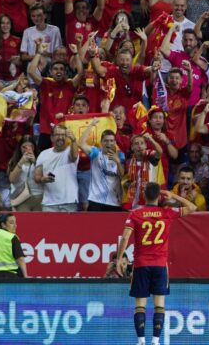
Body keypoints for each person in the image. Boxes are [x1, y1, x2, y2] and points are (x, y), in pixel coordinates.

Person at [114, 182, 197, 345]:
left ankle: (141, 341)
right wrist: (173, 196)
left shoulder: (135, 214)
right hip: (160, 265)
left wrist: (118, 259)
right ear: (159, 196)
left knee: (140, 305)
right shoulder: (167, 213)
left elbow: (124, 238)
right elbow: (192, 207)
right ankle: (156, 341)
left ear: (144, 195)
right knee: (159, 305)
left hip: (141, 264)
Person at [77, 120, 125, 212]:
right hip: (96, 200)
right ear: (101, 142)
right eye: (106, 141)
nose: (109, 143)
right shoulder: (96, 153)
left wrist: (118, 162)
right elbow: (80, 144)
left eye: (111, 141)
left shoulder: (120, 155)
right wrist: (91, 125)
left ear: (115, 142)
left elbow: (121, 175)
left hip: (114, 201)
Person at [34, 124, 80, 212]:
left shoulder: (71, 150)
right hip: (49, 204)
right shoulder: (43, 154)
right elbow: (37, 177)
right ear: (51, 138)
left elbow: (74, 157)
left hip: (69, 202)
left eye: (63, 135)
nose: (61, 137)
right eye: (58, 135)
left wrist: (73, 140)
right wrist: (43, 179)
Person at [0, 213, 28, 278]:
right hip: (9, 277)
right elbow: (20, 259)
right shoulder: (11, 237)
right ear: (3, 225)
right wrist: (25, 276)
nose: (15, 225)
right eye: (11, 223)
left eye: (15, 223)